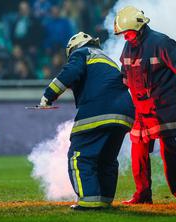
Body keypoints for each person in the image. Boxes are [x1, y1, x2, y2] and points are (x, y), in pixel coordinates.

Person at [114, 6, 176, 207]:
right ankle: (143, 194)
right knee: (137, 149)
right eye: (123, 35)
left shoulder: (161, 43)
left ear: (139, 27)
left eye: (127, 33)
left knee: (168, 147)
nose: (125, 38)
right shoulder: (128, 47)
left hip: (163, 106)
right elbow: (124, 74)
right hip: (140, 108)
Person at [39, 32, 135, 210]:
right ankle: (104, 199)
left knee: (79, 156)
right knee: (107, 159)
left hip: (99, 108)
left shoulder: (82, 53)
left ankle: (89, 200)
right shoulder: (106, 58)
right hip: (125, 112)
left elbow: (71, 73)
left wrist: (48, 96)